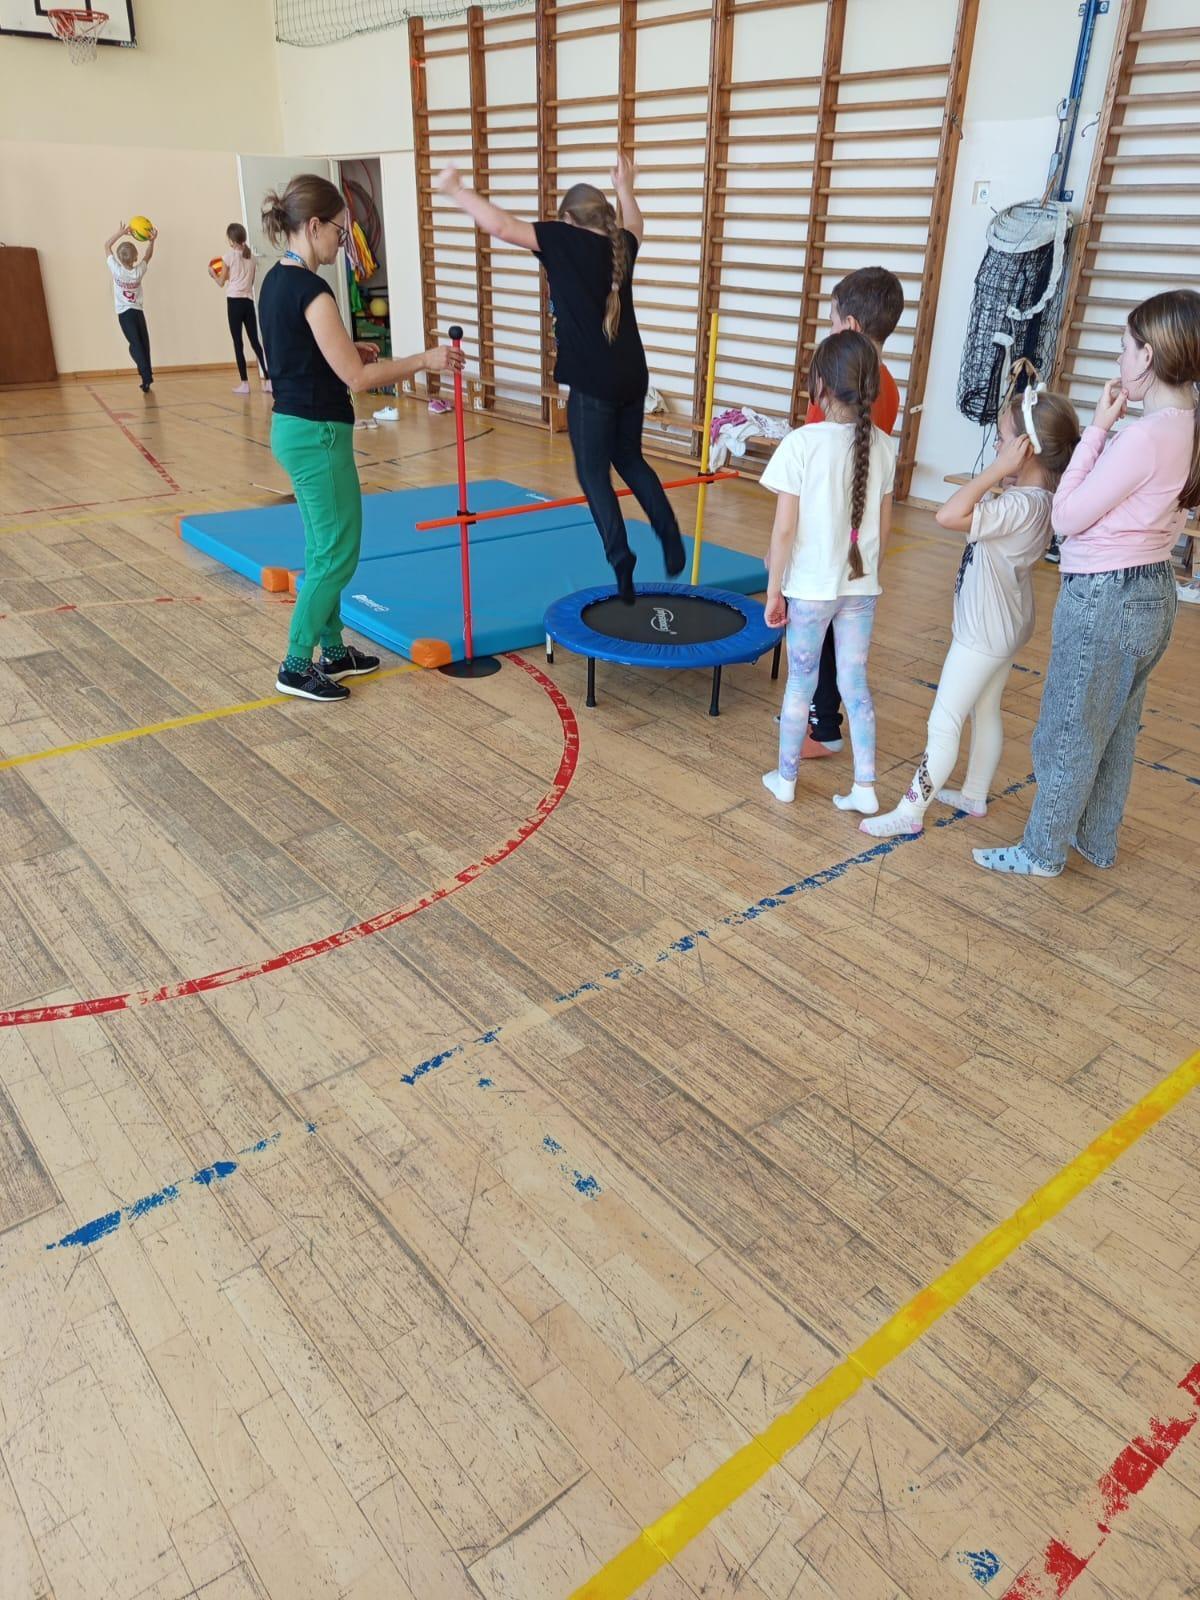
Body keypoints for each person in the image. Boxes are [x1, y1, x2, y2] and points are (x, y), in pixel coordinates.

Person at [975, 288, 1200, 876]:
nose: (1120, 359)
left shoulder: (1144, 437)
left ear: (1149, 357)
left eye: (1126, 348)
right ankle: (1095, 840)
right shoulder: (1188, 425)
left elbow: (1066, 515)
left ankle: (1042, 851)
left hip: (1107, 596)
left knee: (1070, 728)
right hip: (1154, 593)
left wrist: (1098, 429)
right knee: (1116, 730)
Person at [436, 153, 685, 601]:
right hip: (633, 375)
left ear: (568, 219)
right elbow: (636, 223)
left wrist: (457, 190)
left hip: (593, 381)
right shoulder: (621, 244)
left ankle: (620, 557)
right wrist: (626, 187)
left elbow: (501, 226)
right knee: (629, 459)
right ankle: (668, 533)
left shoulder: (562, 239)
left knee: (592, 473)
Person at [258, 174, 462, 702]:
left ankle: (333, 650)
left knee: (322, 547)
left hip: (294, 428)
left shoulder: (275, 282)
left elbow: (301, 356)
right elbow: (357, 379)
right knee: (337, 554)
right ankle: (296, 664)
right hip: (318, 436)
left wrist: (354, 351)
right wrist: (424, 360)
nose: (342, 242)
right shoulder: (312, 290)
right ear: (314, 226)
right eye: (339, 231)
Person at [861, 384, 1080, 838]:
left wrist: (996, 472)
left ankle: (911, 811)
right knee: (986, 708)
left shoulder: (1017, 505)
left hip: (983, 632)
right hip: (1006, 625)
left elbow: (948, 515)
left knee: (943, 721)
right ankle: (975, 793)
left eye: (1002, 441)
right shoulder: (1040, 500)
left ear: (1026, 450)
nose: (997, 448)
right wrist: (1007, 473)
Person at [761, 331, 896, 815]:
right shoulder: (884, 446)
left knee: (801, 682)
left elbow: (783, 531)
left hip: (810, 590)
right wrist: (865, 574)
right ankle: (865, 786)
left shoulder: (800, 444)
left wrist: (774, 591)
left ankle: (786, 780)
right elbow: (884, 528)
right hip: (860, 588)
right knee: (854, 685)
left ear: (819, 385)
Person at [802, 267, 905, 757]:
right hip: (857, 542)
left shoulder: (834, 386)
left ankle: (822, 726)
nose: (828, 331)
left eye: (831, 321)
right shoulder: (890, 387)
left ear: (851, 327)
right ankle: (821, 716)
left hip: (826, 540)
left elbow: (812, 472)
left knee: (819, 633)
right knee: (839, 635)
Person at [210, 223, 271, 396]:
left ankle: (244, 383)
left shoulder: (228, 257)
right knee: (255, 342)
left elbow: (221, 282)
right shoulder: (252, 258)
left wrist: (212, 273)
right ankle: (269, 381)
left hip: (234, 302)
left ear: (231, 239)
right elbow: (247, 282)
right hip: (248, 302)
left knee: (238, 343)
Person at [104, 221, 157, 393]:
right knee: (143, 344)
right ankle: (147, 376)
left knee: (135, 345)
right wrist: (152, 241)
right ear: (135, 258)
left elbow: (106, 245)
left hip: (124, 314)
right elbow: (148, 256)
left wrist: (120, 233)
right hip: (137, 312)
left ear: (119, 258)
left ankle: (145, 376)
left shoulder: (116, 270)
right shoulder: (138, 271)